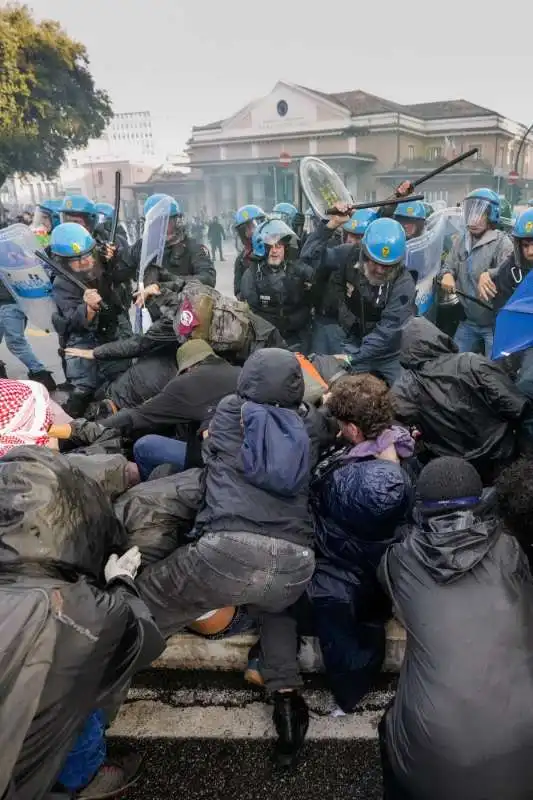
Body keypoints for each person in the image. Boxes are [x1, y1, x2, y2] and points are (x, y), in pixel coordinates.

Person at [137, 349, 318, 766]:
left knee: (148, 598)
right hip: (296, 562)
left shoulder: (229, 412)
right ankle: (288, 700)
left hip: (228, 550)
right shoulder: (308, 425)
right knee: (276, 606)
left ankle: (105, 669)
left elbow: (206, 453)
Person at [0, 445, 164, 798]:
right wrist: (121, 584)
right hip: (22, 774)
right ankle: (83, 779)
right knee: (77, 691)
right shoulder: (77, 607)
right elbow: (143, 642)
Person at [378, 456, 533, 800]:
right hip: (526, 754)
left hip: (432, 767)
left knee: (388, 728)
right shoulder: (511, 549)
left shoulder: (399, 559)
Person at [308, 374, 414, 713]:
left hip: (344, 582)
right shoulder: (406, 448)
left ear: (352, 429)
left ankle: (348, 697)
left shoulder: (340, 478)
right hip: (387, 578)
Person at [391, 317, 527, 483]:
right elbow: (516, 406)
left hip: (455, 470)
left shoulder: (406, 386)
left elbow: (389, 423)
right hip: (501, 456)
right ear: (438, 337)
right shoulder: (472, 362)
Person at [100, 339, 241, 479]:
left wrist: (96, 427)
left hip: (214, 460)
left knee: (144, 446)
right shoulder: (240, 372)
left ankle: (146, 487)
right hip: (248, 456)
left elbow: (138, 416)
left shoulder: (188, 382)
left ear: (188, 367)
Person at [50, 223, 132, 417]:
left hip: (114, 331)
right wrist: (87, 308)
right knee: (83, 391)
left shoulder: (103, 261)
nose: (85, 262)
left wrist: (115, 255)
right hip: (84, 341)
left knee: (124, 381)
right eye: (76, 260)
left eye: (88, 255)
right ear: (63, 262)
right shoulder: (62, 284)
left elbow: (125, 271)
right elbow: (73, 321)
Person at [329, 214, 415, 384]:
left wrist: (353, 357)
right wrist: (327, 228)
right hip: (355, 343)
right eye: (375, 262)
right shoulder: (348, 259)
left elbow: (388, 331)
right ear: (365, 254)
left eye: (387, 265)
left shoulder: (404, 284)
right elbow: (311, 256)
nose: (380, 270)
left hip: (391, 353)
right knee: (340, 391)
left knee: (405, 395)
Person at [439, 188, 512, 356]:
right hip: (468, 321)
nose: (474, 219)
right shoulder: (461, 241)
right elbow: (448, 266)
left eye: (480, 214)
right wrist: (447, 275)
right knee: (454, 364)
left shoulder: (502, 243)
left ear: (492, 215)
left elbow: (509, 271)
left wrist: (490, 273)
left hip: (493, 324)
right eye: (470, 212)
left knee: (495, 371)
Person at [240, 219, 314, 351]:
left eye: (278, 246)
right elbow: (250, 311)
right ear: (262, 249)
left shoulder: (297, 269)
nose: (275, 251)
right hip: (267, 338)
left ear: (285, 248)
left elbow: (311, 296)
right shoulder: (251, 274)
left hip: (296, 336)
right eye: (270, 246)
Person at [124, 194, 216, 292]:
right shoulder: (141, 247)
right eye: (155, 222)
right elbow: (121, 268)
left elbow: (208, 278)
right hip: (147, 306)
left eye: (165, 221)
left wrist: (168, 283)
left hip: (180, 304)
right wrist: (108, 255)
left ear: (176, 221)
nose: (160, 227)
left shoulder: (193, 247)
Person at [233, 204, 266, 299]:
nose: (252, 231)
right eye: (247, 228)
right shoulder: (241, 260)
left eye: (254, 226)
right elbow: (238, 291)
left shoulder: (274, 249)